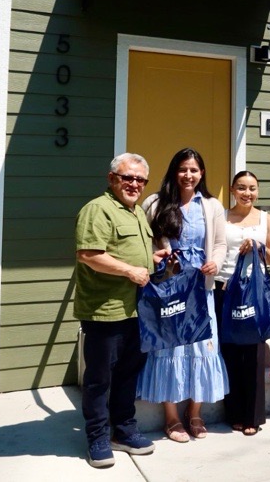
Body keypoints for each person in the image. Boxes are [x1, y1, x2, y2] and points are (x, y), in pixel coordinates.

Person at [74, 152, 160, 468]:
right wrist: (129, 271)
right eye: (128, 178)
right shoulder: (98, 209)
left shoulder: (137, 213)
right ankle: (97, 437)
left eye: (140, 180)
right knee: (100, 379)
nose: (134, 184)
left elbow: (130, 253)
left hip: (136, 311)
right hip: (105, 310)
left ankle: (123, 431)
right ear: (112, 179)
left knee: (128, 374)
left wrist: (154, 259)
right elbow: (89, 254)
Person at [137, 148, 229, 443]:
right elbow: (145, 241)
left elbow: (220, 244)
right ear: (174, 172)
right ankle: (171, 417)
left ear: (202, 173)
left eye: (194, 170)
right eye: (183, 169)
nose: (188, 175)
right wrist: (160, 256)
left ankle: (195, 412)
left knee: (202, 348)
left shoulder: (212, 205)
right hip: (170, 288)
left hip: (200, 289)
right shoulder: (155, 202)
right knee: (170, 348)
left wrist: (215, 262)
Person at [215, 170, 270, 436]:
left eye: (252, 188)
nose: (247, 193)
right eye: (241, 188)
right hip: (225, 289)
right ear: (232, 190)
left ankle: (253, 416)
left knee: (253, 353)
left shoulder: (267, 219)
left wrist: (257, 247)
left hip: (254, 292)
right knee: (229, 352)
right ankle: (234, 413)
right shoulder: (221, 217)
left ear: (258, 191)